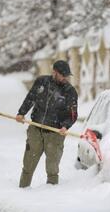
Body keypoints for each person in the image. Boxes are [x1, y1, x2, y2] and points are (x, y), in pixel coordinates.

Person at [16, 60, 78, 188]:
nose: (65, 78)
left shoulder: (69, 91)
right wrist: (21, 113)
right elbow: (30, 98)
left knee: (52, 169)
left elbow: (73, 114)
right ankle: (22, 191)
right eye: (62, 75)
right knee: (28, 165)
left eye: (66, 75)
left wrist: (65, 126)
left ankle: (51, 197)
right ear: (54, 72)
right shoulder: (41, 82)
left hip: (55, 134)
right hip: (35, 130)